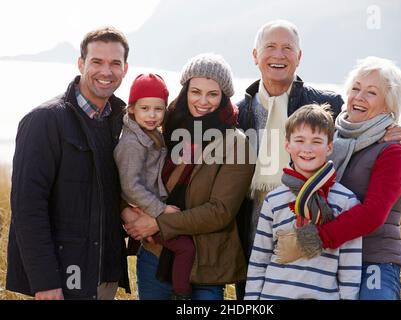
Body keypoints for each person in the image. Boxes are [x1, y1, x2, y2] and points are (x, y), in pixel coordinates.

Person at [234, 19, 401, 299]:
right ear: (255, 55)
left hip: (339, 255)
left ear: (299, 57)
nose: (279, 55)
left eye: (287, 48)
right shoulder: (238, 114)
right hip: (260, 238)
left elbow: (373, 125)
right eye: (270, 46)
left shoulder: (325, 107)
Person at [275, 56, 401, 300]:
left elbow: (373, 214)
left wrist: (318, 239)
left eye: (371, 92)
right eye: (355, 88)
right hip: (327, 261)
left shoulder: (394, 151)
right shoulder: (330, 141)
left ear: (388, 105)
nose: (359, 97)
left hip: (372, 264)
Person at [6, 26, 130, 300]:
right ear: (81, 63)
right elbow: (28, 207)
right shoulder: (44, 121)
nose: (106, 72)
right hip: (62, 279)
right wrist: (45, 282)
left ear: (125, 68)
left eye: (115, 63)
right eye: (97, 62)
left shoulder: (122, 121)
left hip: (104, 275)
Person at [123, 53, 255, 300]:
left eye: (213, 94)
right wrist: (128, 211)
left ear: (224, 96)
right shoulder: (168, 126)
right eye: (196, 91)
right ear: (186, 91)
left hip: (205, 267)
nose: (203, 101)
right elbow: (129, 174)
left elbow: (220, 211)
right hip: (155, 256)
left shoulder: (237, 144)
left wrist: (159, 222)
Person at [245, 104, 362, 300]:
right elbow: (259, 260)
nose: (307, 148)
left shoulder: (346, 201)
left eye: (317, 141)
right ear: (287, 145)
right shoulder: (274, 200)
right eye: (299, 140)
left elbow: (350, 266)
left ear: (329, 147)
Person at [114, 73, 195, 300]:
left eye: (158, 109)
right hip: (147, 209)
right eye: (145, 108)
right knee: (185, 248)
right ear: (131, 109)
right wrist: (160, 210)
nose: (152, 115)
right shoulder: (132, 143)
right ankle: (182, 296)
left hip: (150, 207)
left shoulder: (152, 135)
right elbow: (129, 186)